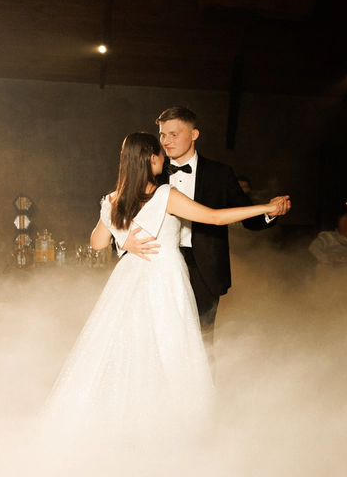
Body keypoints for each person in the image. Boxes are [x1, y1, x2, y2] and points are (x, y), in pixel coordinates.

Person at [41, 132, 286, 435]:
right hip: (165, 278)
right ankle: (171, 427)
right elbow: (214, 218)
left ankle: (126, 422)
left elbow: (97, 243)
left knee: (127, 347)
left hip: (129, 278)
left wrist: (124, 240)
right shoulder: (165, 195)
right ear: (151, 158)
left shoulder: (114, 200)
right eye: (160, 151)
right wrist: (265, 208)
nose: (164, 157)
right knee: (171, 348)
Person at [121, 107, 290, 360]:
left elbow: (247, 217)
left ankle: (202, 386)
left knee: (201, 342)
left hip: (204, 268)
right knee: (157, 339)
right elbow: (121, 213)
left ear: (194, 134)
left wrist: (270, 211)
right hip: (156, 265)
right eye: (162, 135)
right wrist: (123, 243)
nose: (166, 141)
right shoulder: (151, 170)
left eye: (174, 134)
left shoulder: (220, 173)